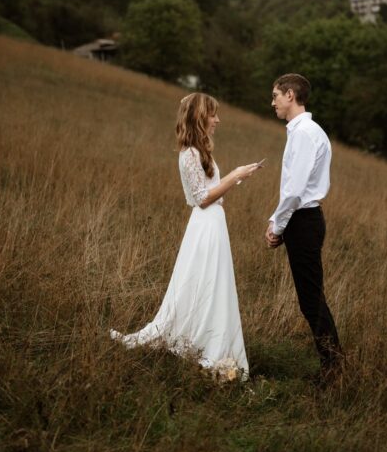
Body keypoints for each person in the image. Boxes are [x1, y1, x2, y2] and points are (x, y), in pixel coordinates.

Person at [111, 93, 262, 380]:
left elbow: (212, 192)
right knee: (201, 282)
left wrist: (240, 177)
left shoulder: (201, 151)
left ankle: (204, 337)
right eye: (213, 115)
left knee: (213, 283)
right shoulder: (189, 154)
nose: (217, 120)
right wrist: (234, 175)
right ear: (199, 118)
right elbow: (202, 198)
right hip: (204, 225)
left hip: (214, 224)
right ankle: (200, 342)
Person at [265, 73, 344, 384]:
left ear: (290, 95)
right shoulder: (305, 131)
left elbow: (295, 189)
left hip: (304, 220)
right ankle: (332, 364)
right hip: (303, 219)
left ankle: (333, 367)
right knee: (310, 298)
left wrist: (277, 224)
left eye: (275, 95)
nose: (272, 102)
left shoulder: (304, 133)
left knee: (311, 299)